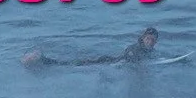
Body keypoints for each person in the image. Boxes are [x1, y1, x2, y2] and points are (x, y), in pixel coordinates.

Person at [22, 27, 161, 69]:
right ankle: (41, 59)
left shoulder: (147, 50)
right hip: (106, 62)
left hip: (108, 61)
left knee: (70, 65)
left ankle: (42, 60)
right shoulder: (135, 48)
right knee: (69, 66)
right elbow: (130, 57)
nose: (150, 42)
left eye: (153, 40)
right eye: (148, 39)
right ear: (143, 38)